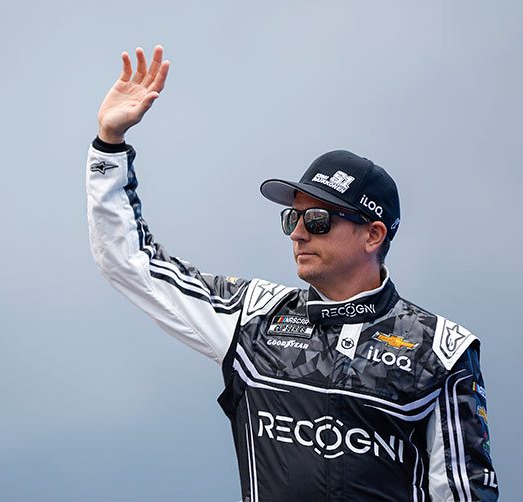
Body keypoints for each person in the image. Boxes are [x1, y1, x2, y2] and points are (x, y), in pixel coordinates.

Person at [85, 45, 498, 502]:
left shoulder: (441, 351)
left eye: (317, 220)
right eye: (292, 218)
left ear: (373, 235)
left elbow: (464, 494)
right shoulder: (252, 316)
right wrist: (109, 146)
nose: (298, 233)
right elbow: (131, 264)